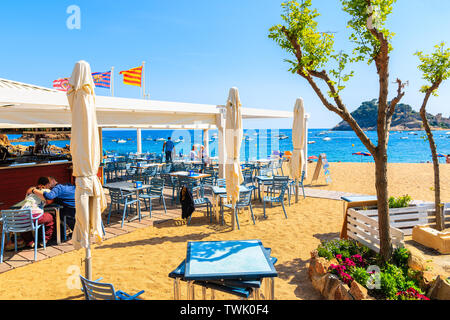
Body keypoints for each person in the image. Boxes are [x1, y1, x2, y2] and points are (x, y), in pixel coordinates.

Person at [18, 177, 56, 248]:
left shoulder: (30, 190)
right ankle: (44, 240)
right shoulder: (47, 191)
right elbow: (50, 200)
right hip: (34, 217)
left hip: (20, 217)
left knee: (24, 223)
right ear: (47, 184)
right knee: (50, 217)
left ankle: (30, 242)